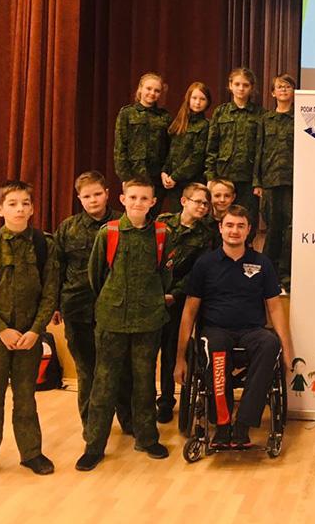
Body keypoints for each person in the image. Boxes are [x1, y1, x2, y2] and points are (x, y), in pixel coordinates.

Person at [0, 180, 59, 486]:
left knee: (26, 399)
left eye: (25, 203)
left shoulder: (44, 245)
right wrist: (1, 330)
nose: (19, 209)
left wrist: (35, 331)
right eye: (13, 204)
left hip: (29, 339)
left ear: (32, 209)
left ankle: (31, 453)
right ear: (0, 209)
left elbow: (50, 293)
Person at [175, 205, 295, 449]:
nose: (234, 231)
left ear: (249, 230)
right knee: (216, 348)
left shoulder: (261, 263)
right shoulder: (205, 264)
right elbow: (189, 311)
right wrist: (180, 357)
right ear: (220, 228)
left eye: (241, 226)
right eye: (229, 225)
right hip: (216, 330)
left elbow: (274, 308)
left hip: (252, 330)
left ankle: (243, 425)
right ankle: (222, 426)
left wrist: (288, 350)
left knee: (269, 343)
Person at [76, 179, 172, 471]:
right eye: (133, 197)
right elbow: (96, 276)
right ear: (122, 199)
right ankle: (94, 446)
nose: (138, 203)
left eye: (144, 198)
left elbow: (165, 276)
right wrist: (112, 301)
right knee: (104, 384)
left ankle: (147, 438)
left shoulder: (162, 234)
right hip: (112, 321)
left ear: (153, 202)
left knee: (145, 382)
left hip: (148, 321)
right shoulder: (110, 232)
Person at [53, 171, 132, 437]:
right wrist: (55, 304)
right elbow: (56, 268)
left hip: (116, 309)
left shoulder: (124, 223)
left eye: (98, 194)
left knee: (120, 368)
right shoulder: (68, 228)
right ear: (79, 199)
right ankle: (92, 427)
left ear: (107, 194)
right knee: (87, 371)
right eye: (87, 196)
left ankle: (129, 421)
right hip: (77, 308)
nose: (93, 200)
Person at [154, 182, 212, 423]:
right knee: (146, 355)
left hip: (177, 299)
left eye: (206, 204)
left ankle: (166, 402)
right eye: (198, 201)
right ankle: (143, 403)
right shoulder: (162, 222)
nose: (203, 207)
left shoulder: (205, 234)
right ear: (184, 201)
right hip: (151, 296)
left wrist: (174, 294)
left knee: (171, 352)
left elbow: (197, 272)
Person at [205, 67, 262, 230]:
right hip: (223, 175)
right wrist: (210, 176)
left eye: (245, 85)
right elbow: (212, 146)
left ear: (252, 88)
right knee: (220, 219)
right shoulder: (221, 112)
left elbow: (261, 150)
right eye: (237, 84)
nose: (241, 88)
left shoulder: (260, 114)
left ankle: (246, 246)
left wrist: (258, 181)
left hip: (248, 177)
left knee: (247, 218)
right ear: (230, 86)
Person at [254, 73, 296, 293]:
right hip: (269, 181)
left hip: (292, 181)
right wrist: (257, 182)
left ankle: (286, 275)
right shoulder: (265, 119)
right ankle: (268, 274)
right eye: (280, 86)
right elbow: (259, 151)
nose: (284, 90)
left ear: (293, 92)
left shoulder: (299, 118)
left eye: (288, 86)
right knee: (272, 228)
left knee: (290, 229)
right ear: (273, 93)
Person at [113, 72, 172, 215]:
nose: (152, 93)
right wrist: (125, 178)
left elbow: (170, 148)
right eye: (148, 88)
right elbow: (120, 147)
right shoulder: (127, 113)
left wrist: (165, 171)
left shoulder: (164, 116)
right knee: (135, 215)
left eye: (157, 90)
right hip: (134, 174)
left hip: (156, 176)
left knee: (153, 215)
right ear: (140, 89)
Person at [161, 82, 211, 212]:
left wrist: (175, 177)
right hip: (174, 183)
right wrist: (165, 172)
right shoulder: (179, 122)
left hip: (192, 182)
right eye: (194, 98)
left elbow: (196, 157)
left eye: (202, 99)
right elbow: (171, 151)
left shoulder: (206, 126)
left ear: (207, 102)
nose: (198, 102)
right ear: (188, 99)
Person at [207, 178, 236, 247]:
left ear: (233, 197)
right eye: (217, 196)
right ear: (209, 197)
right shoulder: (202, 222)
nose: (222, 200)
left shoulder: (239, 222)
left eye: (227, 196)